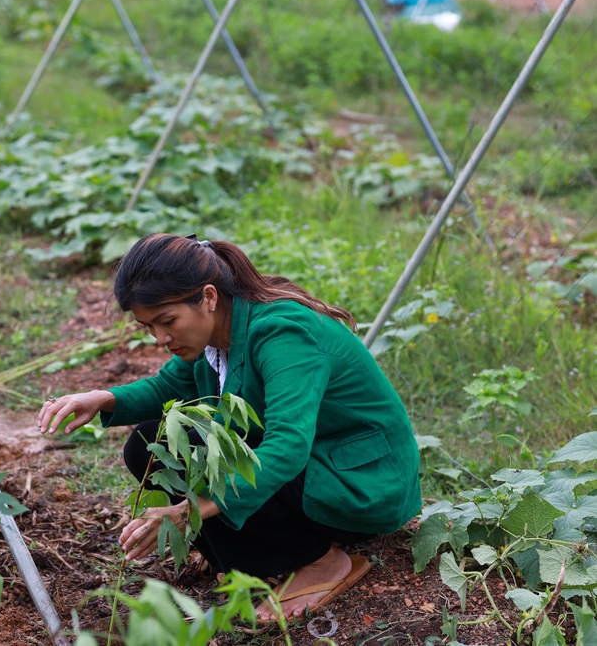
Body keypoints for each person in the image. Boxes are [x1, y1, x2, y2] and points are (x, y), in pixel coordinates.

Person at [37, 233, 421, 621]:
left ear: (208, 296)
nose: (160, 338)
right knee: (150, 443)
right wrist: (103, 398)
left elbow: (287, 447)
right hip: (311, 468)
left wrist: (189, 512)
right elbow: (170, 385)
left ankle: (322, 562)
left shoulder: (282, 333)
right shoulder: (216, 329)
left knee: (217, 456)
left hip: (359, 478)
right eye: (148, 327)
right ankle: (245, 562)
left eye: (167, 321)